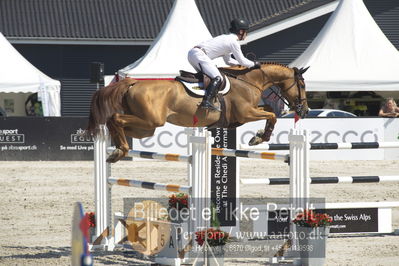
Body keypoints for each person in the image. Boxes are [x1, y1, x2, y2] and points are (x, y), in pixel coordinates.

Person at [188, 18, 260, 111]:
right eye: (246, 32)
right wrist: (254, 64)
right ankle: (206, 101)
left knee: (208, 77)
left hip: (194, 54)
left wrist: (242, 65)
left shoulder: (227, 39)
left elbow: (228, 61)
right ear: (241, 31)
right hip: (199, 55)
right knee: (218, 78)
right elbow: (242, 60)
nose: (246, 34)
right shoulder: (233, 42)